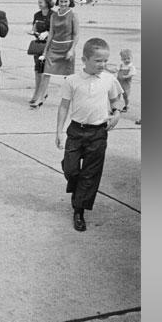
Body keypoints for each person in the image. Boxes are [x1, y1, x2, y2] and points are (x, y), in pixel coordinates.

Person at [54, 37, 123, 232]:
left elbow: (116, 99)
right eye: (98, 61)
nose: (102, 65)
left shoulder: (109, 79)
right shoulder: (72, 80)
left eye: (105, 61)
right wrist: (58, 131)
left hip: (98, 132)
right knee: (71, 170)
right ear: (84, 60)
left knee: (90, 174)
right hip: (76, 131)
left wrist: (116, 113)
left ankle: (79, 210)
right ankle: (76, 187)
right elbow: (63, 106)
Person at [32, 0, 77, 107]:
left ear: (70, 2)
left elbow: (76, 35)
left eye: (66, 1)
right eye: (61, 1)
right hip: (54, 47)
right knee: (46, 73)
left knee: (69, 76)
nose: (63, 4)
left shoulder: (73, 15)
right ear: (58, 2)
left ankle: (73, 100)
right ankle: (40, 98)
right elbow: (51, 34)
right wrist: (45, 51)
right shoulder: (54, 16)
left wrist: (71, 50)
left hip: (67, 48)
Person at [26, 0, 54, 107]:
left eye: (41, 2)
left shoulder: (53, 15)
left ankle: (40, 94)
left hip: (49, 45)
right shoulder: (37, 15)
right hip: (39, 45)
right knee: (37, 70)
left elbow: (55, 29)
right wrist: (33, 32)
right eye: (38, 2)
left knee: (44, 71)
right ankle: (39, 92)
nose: (39, 4)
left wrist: (47, 32)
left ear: (47, 2)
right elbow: (34, 27)